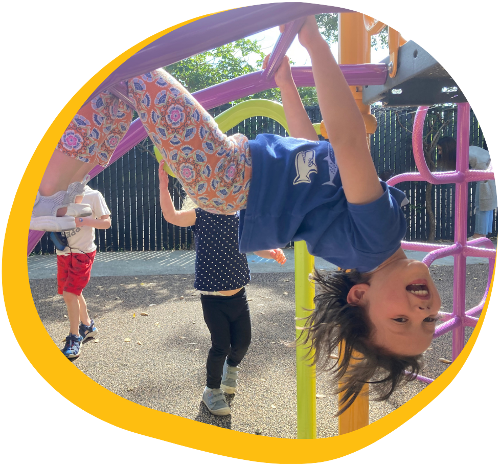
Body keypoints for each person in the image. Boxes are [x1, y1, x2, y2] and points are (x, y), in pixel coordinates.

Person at [31, 16, 441, 414]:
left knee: (136, 73)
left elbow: (348, 140)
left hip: (228, 174)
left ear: (360, 296)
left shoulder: (379, 238)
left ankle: (52, 187)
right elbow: (309, 148)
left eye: (400, 320)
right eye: (428, 322)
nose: (422, 313)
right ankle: (60, 186)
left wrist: (315, 43)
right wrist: (286, 83)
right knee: (124, 85)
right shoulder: (361, 249)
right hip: (227, 182)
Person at [158, 165, 286, 415]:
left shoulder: (238, 217)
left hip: (239, 296)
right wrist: (164, 188)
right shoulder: (200, 215)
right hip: (214, 299)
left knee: (243, 343)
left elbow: (251, 244)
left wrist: (270, 252)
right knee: (221, 346)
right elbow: (172, 216)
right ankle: (211, 391)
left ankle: (231, 371)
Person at [56, 184, 111, 359]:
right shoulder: (59, 195)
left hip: (83, 253)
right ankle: (87, 325)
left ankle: (74, 337)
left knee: (69, 293)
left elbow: (106, 222)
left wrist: (84, 220)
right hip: (64, 252)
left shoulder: (93, 195)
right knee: (73, 291)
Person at [468, 143, 497, 239]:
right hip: (490, 175)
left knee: (482, 206)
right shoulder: (471, 149)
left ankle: (478, 235)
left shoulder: (467, 154)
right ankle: (483, 234)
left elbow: (480, 166)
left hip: (486, 176)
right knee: (488, 206)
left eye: (440, 150)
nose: (439, 153)